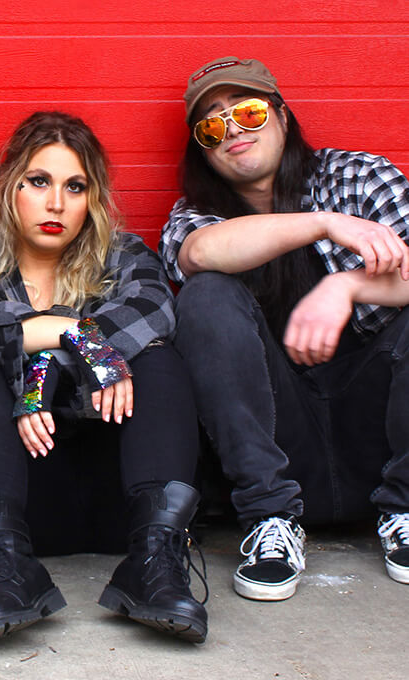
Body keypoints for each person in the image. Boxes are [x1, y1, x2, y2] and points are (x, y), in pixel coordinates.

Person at [0, 111, 207, 649]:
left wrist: (45, 366)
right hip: (22, 504)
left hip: (122, 502)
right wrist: (81, 338)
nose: (56, 203)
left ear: (91, 201)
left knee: (157, 357)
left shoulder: (123, 257)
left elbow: (155, 309)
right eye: (39, 182)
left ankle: (157, 564)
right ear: (10, 188)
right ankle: (5, 574)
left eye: (74, 187)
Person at [161, 56, 409, 602]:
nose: (233, 132)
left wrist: (346, 287)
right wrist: (322, 224)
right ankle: (269, 522)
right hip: (283, 439)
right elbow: (201, 254)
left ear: (281, 115)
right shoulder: (196, 215)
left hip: (378, 422)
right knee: (206, 293)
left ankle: (405, 510)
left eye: (247, 112)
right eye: (212, 126)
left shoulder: (359, 177)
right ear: (202, 148)